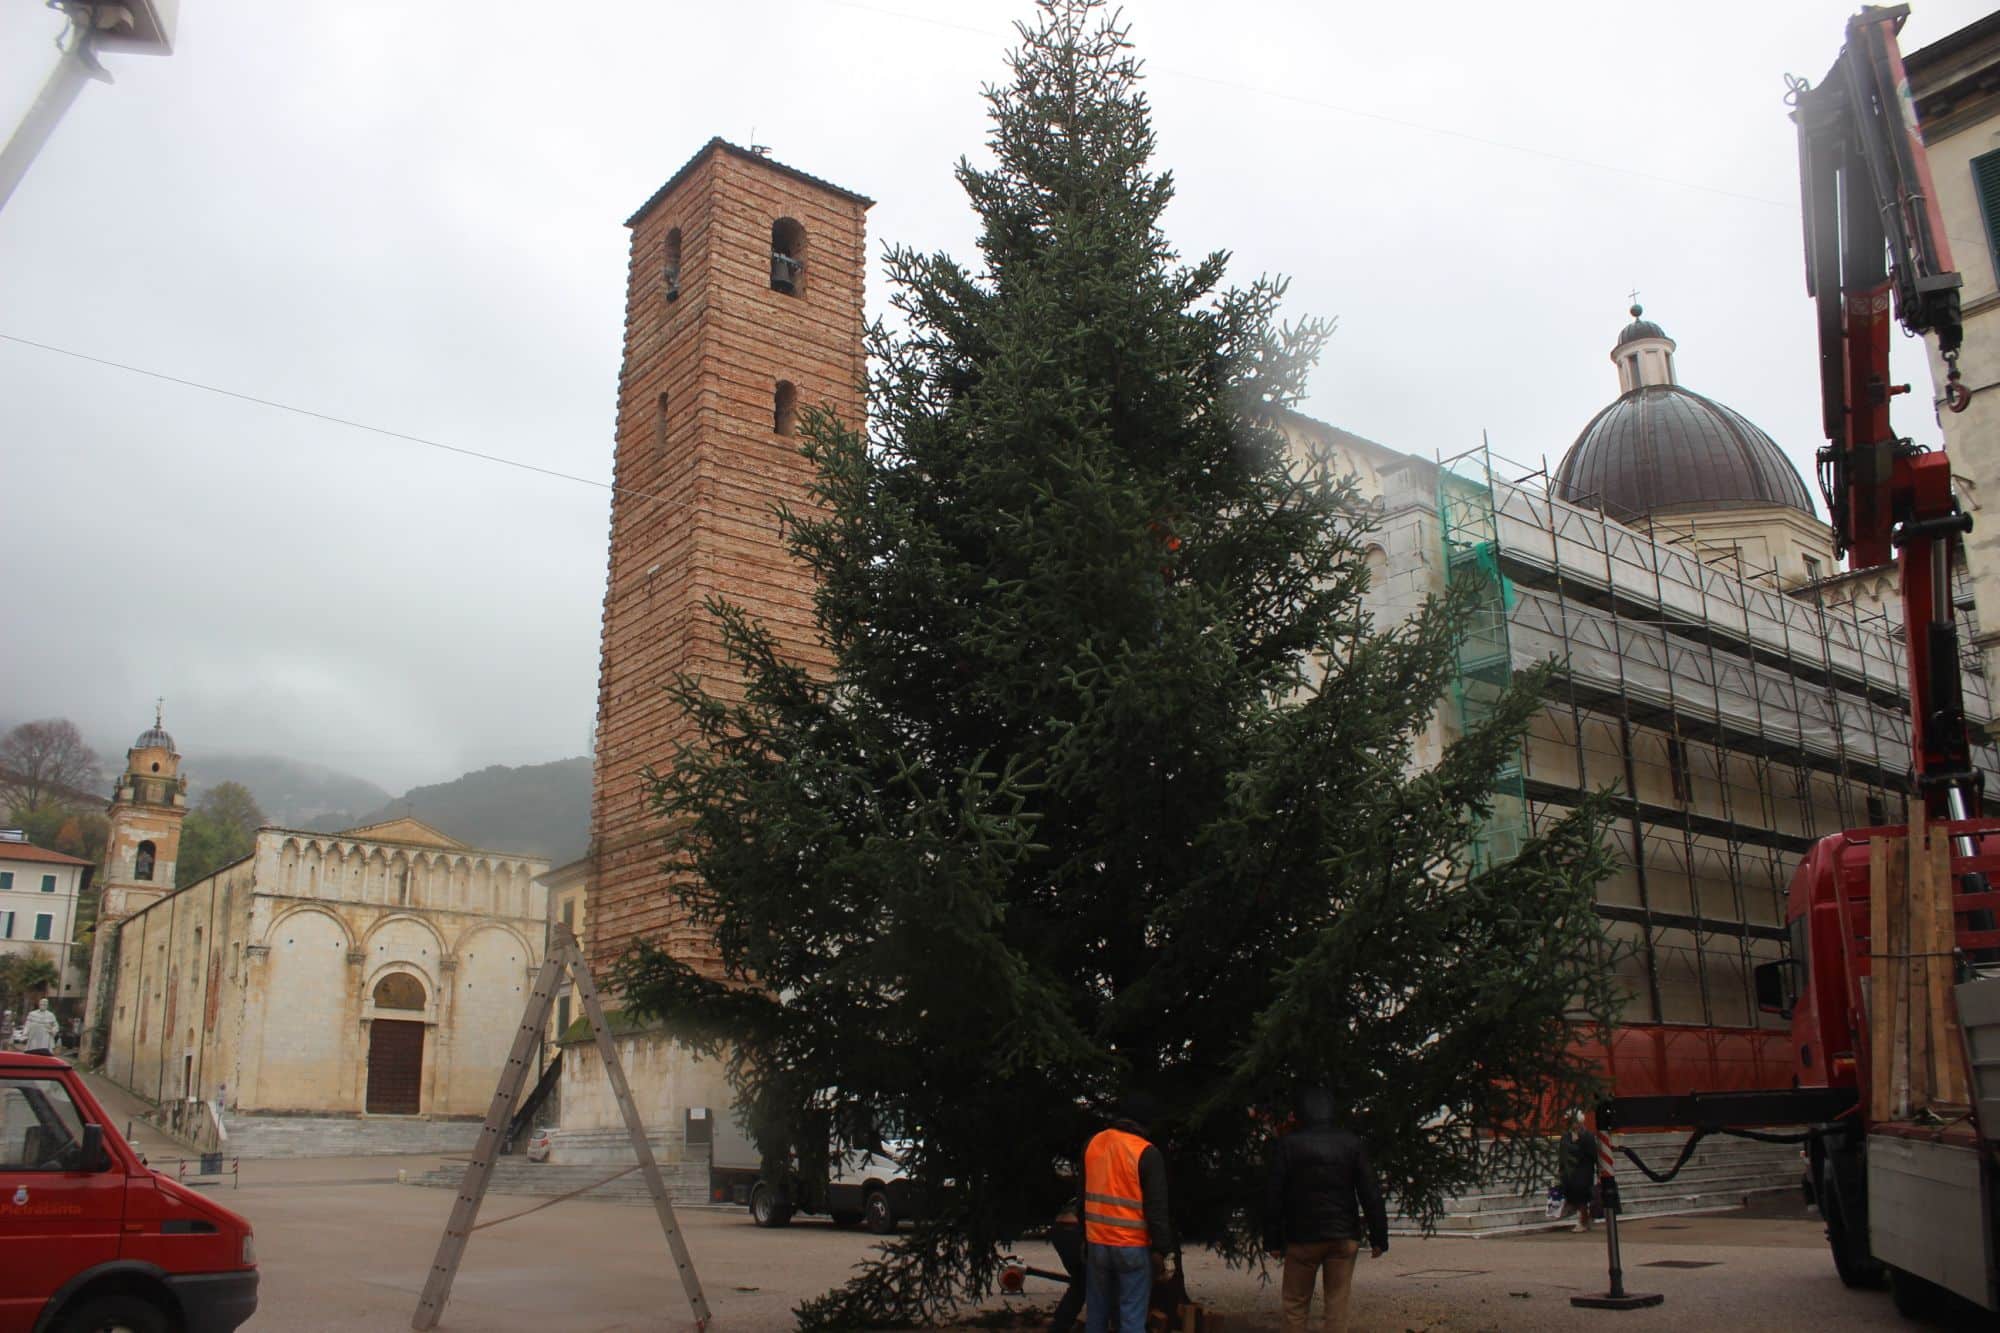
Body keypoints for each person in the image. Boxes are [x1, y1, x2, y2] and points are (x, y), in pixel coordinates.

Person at [1262, 1088, 1389, 1333]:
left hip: (1302, 1238)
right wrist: (1378, 1238)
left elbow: (1274, 1195)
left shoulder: (1289, 1145)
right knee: (1337, 1307)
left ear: (1300, 1114)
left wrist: (1273, 1240)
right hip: (1343, 1236)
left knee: (1295, 1306)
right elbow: (1370, 1193)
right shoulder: (1351, 1143)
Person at [1082, 1097, 1172, 1333]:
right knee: (1132, 1317)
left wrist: (1085, 1238)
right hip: (1131, 1245)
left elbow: (1082, 1194)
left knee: (1097, 1314)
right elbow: (1157, 1208)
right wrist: (1162, 1249)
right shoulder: (1146, 1152)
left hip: (1097, 1243)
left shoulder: (1093, 1144)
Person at [1558, 1112, 1600, 1232]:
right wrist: (1560, 1170)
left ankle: (1583, 1221)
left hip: (1583, 1171)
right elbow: (1562, 1153)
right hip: (1569, 1172)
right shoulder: (1566, 1136)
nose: (1572, 1124)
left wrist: (1598, 1172)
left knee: (1581, 1196)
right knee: (1574, 1196)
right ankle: (1585, 1218)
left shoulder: (1587, 1136)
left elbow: (1593, 1155)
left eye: (1574, 1121)